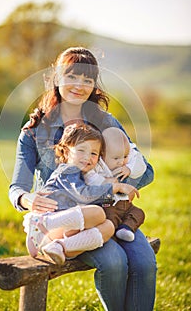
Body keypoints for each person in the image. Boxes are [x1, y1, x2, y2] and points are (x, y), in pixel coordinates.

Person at [9, 47, 157, 311]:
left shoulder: (106, 121)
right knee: (113, 263)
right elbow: (17, 188)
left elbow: (146, 171)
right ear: (56, 79)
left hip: (112, 213)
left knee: (144, 262)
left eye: (88, 80)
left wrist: (119, 181)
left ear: (94, 85)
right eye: (72, 77)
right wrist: (27, 198)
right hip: (68, 220)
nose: (80, 85)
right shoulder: (33, 132)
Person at [23, 123, 139, 264]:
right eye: (81, 150)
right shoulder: (67, 170)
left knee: (109, 227)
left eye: (93, 153)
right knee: (98, 213)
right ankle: (42, 223)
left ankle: (61, 247)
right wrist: (114, 188)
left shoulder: (85, 176)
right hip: (49, 223)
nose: (87, 157)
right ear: (66, 152)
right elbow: (84, 195)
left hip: (60, 236)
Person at [84, 126, 146, 242]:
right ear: (102, 155)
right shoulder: (98, 165)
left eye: (125, 157)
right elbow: (89, 178)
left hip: (125, 204)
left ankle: (126, 229)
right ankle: (112, 236)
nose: (121, 161)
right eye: (116, 158)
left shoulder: (125, 160)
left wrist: (129, 168)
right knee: (110, 217)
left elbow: (140, 163)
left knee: (138, 213)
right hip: (108, 204)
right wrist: (106, 181)